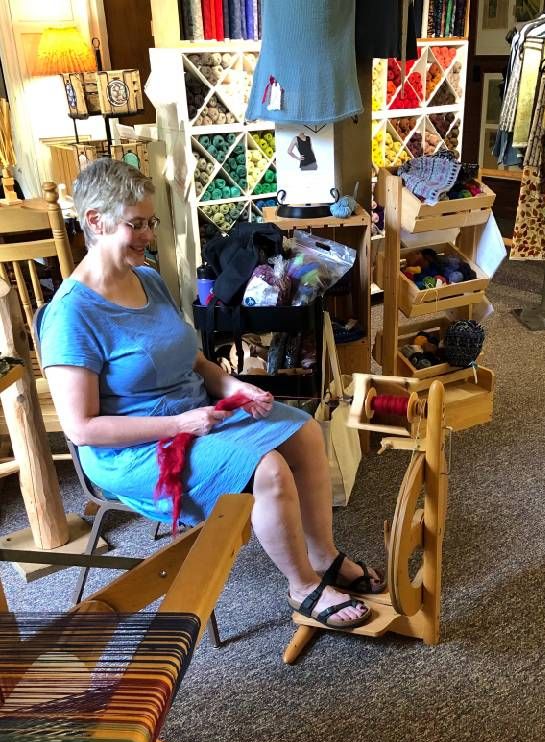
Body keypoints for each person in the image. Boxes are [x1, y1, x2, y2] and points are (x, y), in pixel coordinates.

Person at [40, 159, 385, 631]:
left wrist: (234, 386)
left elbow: (192, 360)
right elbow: (82, 429)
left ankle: (323, 557)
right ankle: (303, 586)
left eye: (150, 222)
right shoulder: (71, 317)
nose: (146, 234)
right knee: (268, 469)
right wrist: (180, 425)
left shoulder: (148, 279)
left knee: (305, 431)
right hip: (137, 447)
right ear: (95, 222)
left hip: (195, 414)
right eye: (135, 224)